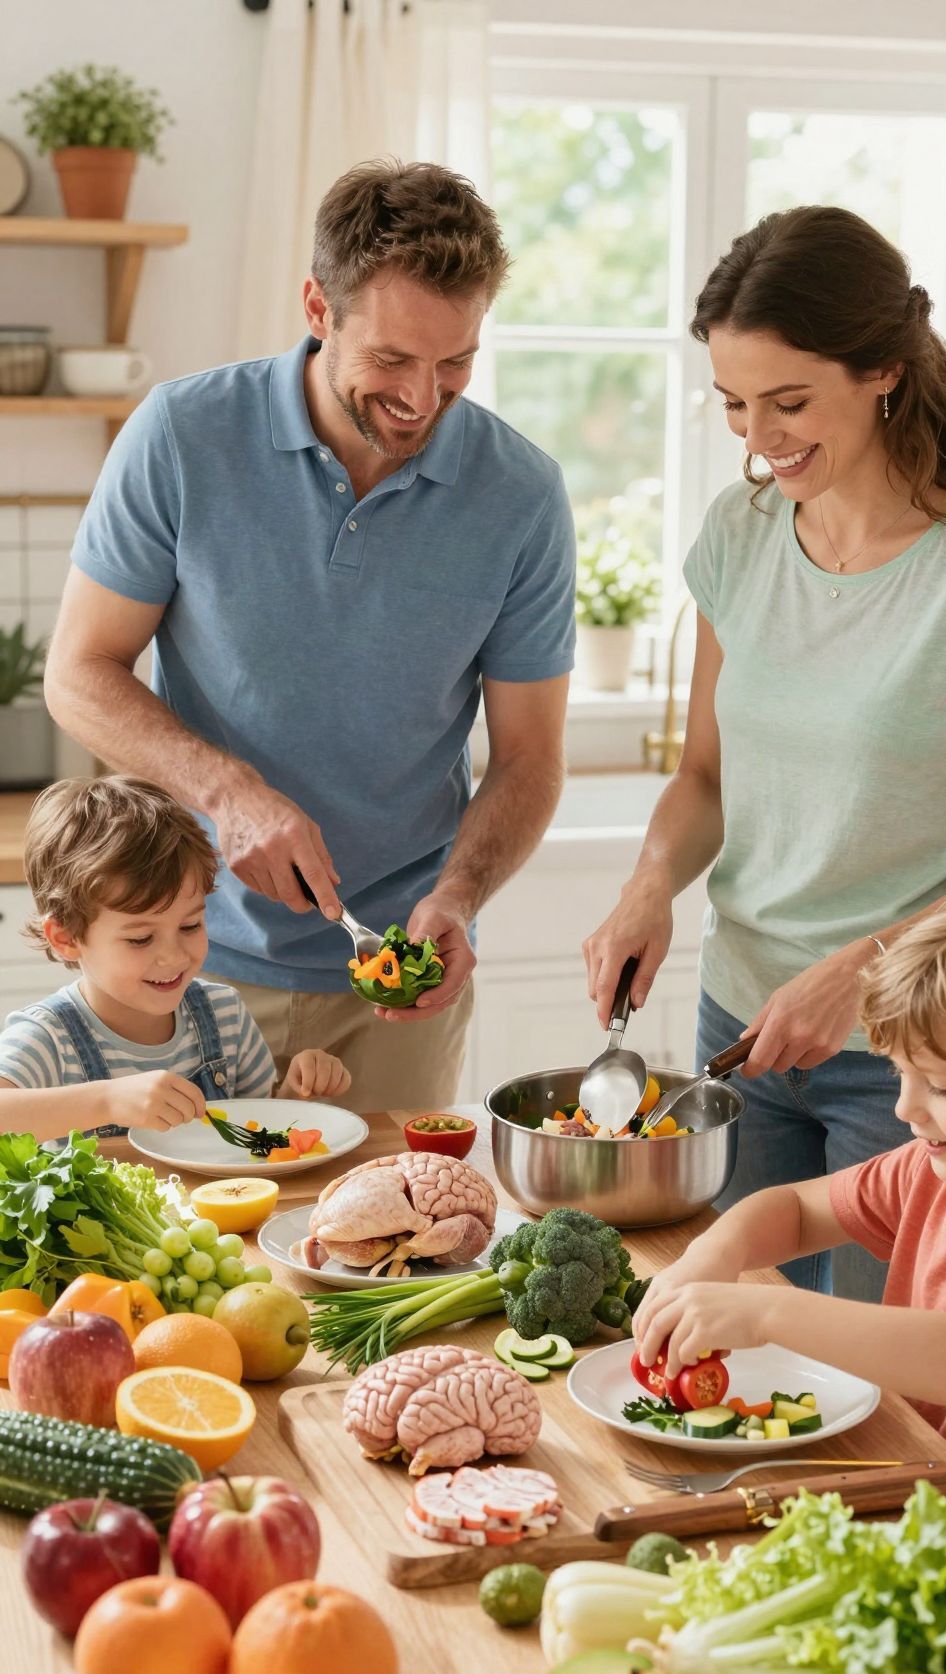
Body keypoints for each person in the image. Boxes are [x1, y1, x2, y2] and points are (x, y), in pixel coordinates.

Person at [584, 206, 946, 1302]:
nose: (759, 436)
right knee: (729, 1372)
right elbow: (707, 778)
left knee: (870, 1404)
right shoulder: (742, 534)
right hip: (741, 1034)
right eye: (734, 405)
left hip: (916, 1061)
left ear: (885, 371)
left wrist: (856, 970)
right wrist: (648, 885)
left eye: (789, 401)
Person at [43, 160, 576, 1113]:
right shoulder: (182, 434)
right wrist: (229, 796)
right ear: (317, 307)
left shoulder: (522, 497)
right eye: (393, 360)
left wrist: (457, 900)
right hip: (191, 963)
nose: (423, 398)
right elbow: (78, 675)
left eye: (455, 362)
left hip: (397, 993)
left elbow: (530, 759)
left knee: (394, 1254)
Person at [634, 880, 946, 1605]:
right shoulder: (938, 1167)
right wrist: (708, 1259)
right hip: (915, 1522)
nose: (906, 1108)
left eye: (940, 1086)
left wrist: (766, 1315)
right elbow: (788, 1210)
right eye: (900, 1076)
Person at [0, 777, 350, 1142]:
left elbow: (260, 1137)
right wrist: (106, 1101)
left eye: (189, 925)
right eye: (140, 938)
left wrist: (298, 1092)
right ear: (67, 938)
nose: (173, 956)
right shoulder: (47, 1038)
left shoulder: (224, 1015)